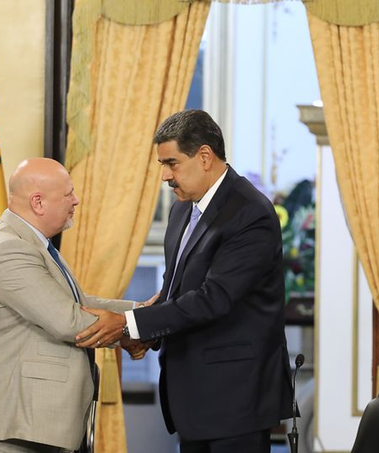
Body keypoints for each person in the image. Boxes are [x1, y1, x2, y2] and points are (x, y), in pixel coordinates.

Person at [78, 110, 294, 452]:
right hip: (193, 398)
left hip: (236, 400)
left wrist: (129, 323)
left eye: (172, 163)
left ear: (204, 156)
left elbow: (214, 298)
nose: (165, 175)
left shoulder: (250, 211)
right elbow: (177, 288)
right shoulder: (182, 208)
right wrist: (147, 332)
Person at [0, 158, 136, 452]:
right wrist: (135, 327)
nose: (76, 200)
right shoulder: (10, 248)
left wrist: (143, 311)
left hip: (28, 425)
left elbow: (78, 302)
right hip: (8, 426)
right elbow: (68, 321)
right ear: (38, 202)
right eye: (68, 193)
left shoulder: (33, 242)